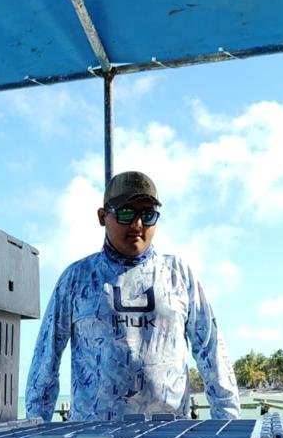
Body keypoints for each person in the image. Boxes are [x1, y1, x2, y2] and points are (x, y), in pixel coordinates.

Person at [25, 170, 241, 422]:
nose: (137, 224)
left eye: (147, 215)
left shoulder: (178, 274)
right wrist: (36, 428)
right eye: (126, 213)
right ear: (102, 216)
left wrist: (228, 423)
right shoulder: (76, 278)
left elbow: (211, 350)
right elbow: (46, 356)